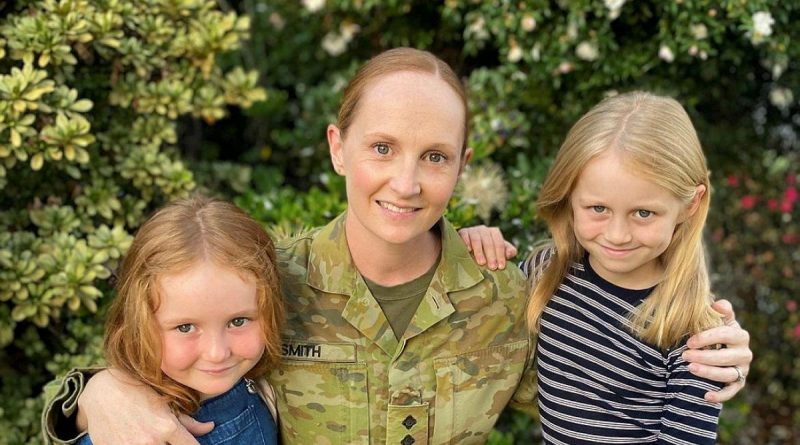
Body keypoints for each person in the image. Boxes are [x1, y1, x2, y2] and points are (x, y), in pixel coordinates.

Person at [41, 49, 752, 445]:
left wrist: (706, 349)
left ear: (462, 164)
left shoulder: (512, 291)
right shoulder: (267, 283)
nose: (406, 182)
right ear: (338, 146)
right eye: (383, 147)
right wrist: (94, 395)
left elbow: (601, 380)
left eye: (435, 156)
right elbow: (162, 350)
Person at [461, 91, 736, 444]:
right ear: (569, 197)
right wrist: (471, 243)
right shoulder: (547, 272)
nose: (618, 235)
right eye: (598, 209)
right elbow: (471, 309)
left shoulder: (692, 328)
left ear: (689, 205)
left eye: (643, 213)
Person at [49, 197, 284, 445]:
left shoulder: (260, 384)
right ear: (140, 324)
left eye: (238, 321)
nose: (217, 353)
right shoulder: (125, 431)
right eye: (185, 327)